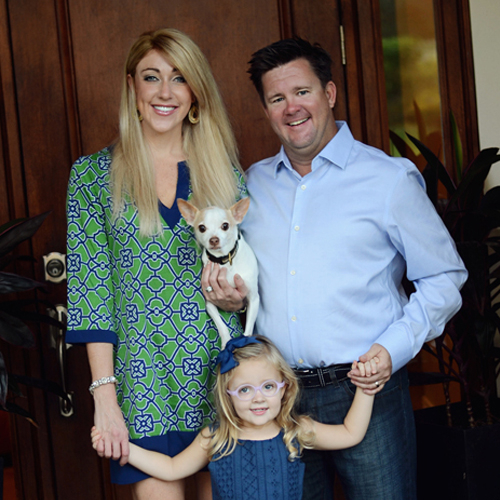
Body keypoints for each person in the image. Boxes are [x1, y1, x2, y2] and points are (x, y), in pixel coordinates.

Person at [204, 37, 468, 499]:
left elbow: (445, 278)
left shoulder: (389, 178)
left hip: (367, 392)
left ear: (329, 93)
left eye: (302, 92)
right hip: (277, 400)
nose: (291, 108)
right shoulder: (252, 186)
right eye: (276, 98)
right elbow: (250, 277)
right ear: (265, 109)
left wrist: (391, 349)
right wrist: (235, 297)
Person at [66, 28, 247, 500]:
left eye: (179, 78)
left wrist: (240, 294)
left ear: (195, 95)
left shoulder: (224, 174)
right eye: (152, 77)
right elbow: (91, 294)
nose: (165, 92)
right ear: (132, 87)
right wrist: (105, 398)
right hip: (142, 384)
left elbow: (249, 275)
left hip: (222, 381)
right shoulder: (91, 176)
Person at [91, 336, 376, 500]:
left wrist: (366, 388)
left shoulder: (294, 430)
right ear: (228, 394)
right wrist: (123, 449)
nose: (258, 398)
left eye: (268, 387)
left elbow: (351, 433)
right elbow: (170, 468)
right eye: (244, 390)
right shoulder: (217, 438)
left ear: (284, 387)